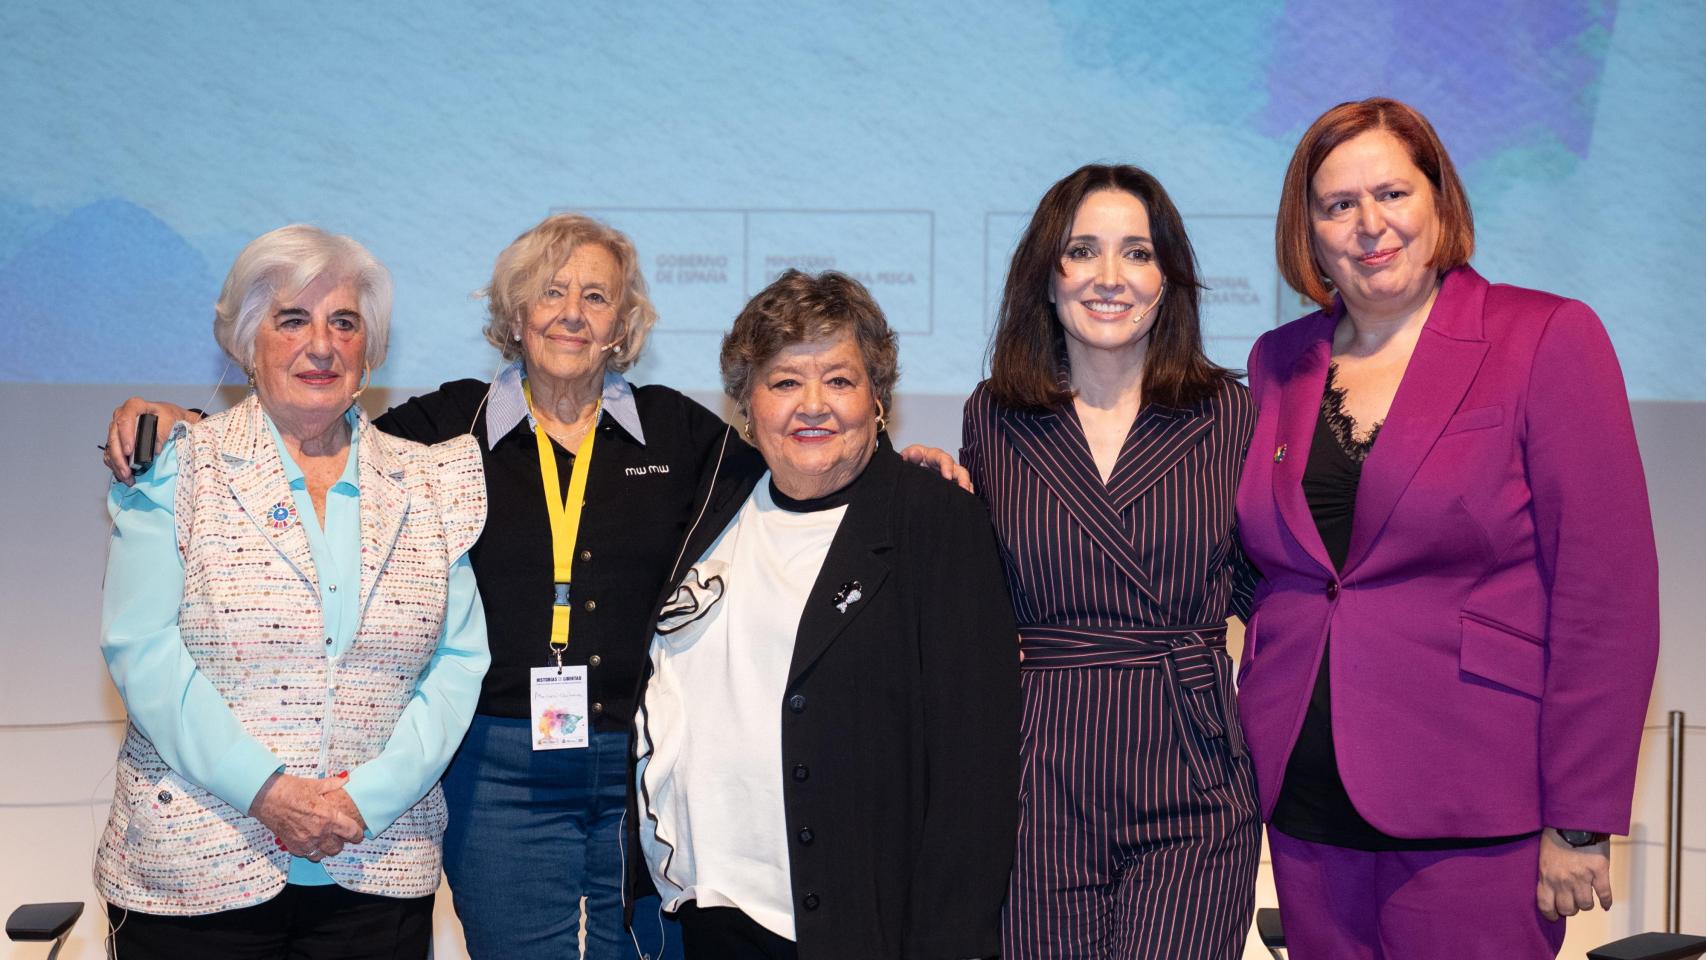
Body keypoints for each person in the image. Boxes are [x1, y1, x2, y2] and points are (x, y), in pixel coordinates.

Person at [103, 214, 967, 959]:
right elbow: (315, 428)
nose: (572, 313)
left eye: (597, 296)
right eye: (550, 292)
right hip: (497, 769)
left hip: (638, 761)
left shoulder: (681, 431)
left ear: (624, 323)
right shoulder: (445, 429)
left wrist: (898, 468)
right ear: (514, 315)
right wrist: (187, 430)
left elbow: (801, 459)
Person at [1235, 97, 1659, 957]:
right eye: (1337, 205)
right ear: (1308, 231)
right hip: (1306, 800)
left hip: (1476, 805)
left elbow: (1605, 596)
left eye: (1392, 192)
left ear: (1440, 200)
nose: (1369, 224)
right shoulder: (1279, 362)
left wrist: (1579, 818)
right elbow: (1278, 566)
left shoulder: (1544, 336)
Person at [96, 224, 489, 959]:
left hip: (374, 867)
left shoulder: (431, 484)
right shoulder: (179, 466)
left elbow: (458, 664)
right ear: (248, 344)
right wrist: (267, 789)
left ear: (370, 352)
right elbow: (141, 647)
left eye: (345, 322)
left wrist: (362, 800)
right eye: (292, 320)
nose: (323, 344)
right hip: (195, 871)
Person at [628, 269, 1020, 960]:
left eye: (839, 380)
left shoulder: (932, 521)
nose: (813, 405)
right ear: (746, 404)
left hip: (854, 926)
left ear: (879, 400)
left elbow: (974, 773)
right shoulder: (709, 508)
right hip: (706, 915)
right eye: (784, 382)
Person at [961, 164, 1261, 958]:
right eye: (1082, 251)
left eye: (1136, 253)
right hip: (1039, 774)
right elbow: (967, 586)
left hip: (1192, 767)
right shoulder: (994, 415)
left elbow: (1278, 587)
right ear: (1045, 277)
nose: (1108, 277)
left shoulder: (1229, 413)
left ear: (1169, 280)